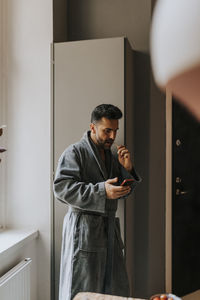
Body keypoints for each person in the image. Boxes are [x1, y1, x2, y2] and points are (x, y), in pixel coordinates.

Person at [53, 104, 141, 300]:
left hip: (109, 232)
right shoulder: (75, 152)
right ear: (92, 127)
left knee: (114, 290)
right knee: (83, 289)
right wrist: (102, 191)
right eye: (107, 131)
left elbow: (120, 191)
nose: (112, 136)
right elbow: (61, 189)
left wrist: (127, 169)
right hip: (84, 232)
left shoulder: (111, 156)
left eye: (115, 131)